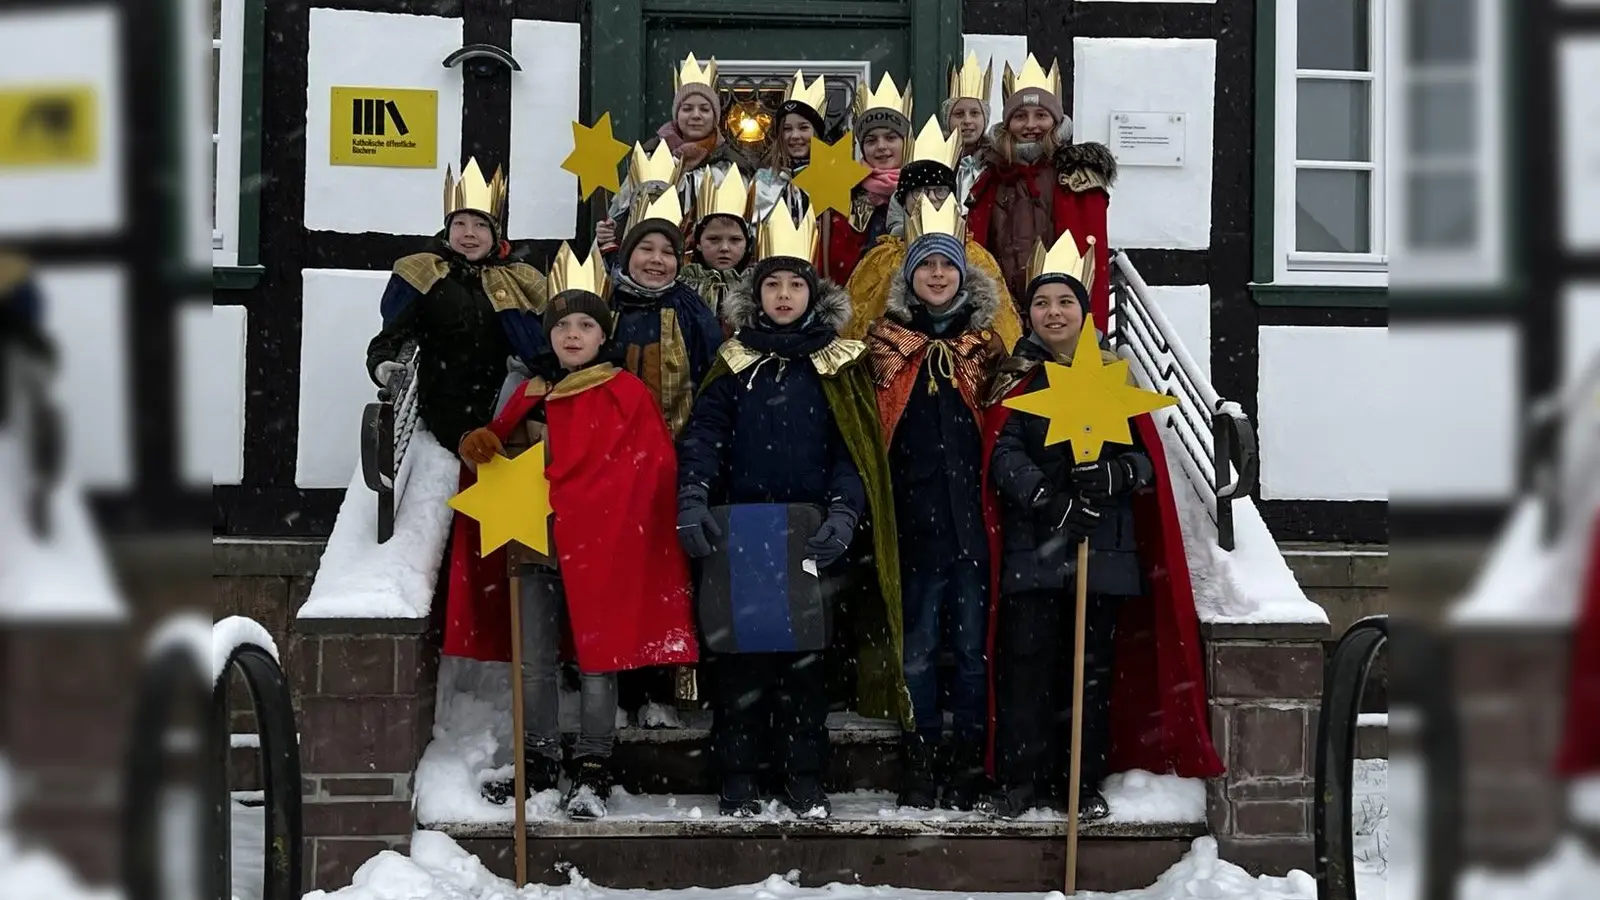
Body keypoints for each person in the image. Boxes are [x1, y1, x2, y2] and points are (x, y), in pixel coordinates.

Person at [447, 243, 699, 819]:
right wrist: (477, 443)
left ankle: (593, 762)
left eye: (586, 324)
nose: (573, 335)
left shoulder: (625, 392)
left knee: (597, 658)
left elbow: (650, 470)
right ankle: (536, 758)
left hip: (601, 546)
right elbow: (496, 449)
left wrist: (597, 503)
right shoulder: (529, 391)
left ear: (601, 335)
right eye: (563, 325)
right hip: (533, 540)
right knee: (533, 659)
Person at [977, 232, 1224, 819]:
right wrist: (1046, 497)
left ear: (1083, 312)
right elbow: (1002, 454)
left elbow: (1147, 461)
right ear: (1029, 313)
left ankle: (1077, 782)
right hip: (1034, 551)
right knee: (1027, 669)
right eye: (1042, 304)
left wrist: (1116, 475)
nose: (1053, 313)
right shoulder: (1015, 376)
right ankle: (1019, 780)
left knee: (1086, 678)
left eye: (1064, 302)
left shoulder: (1119, 377)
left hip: (1101, 552)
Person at [677, 201, 906, 820]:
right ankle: (740, 776)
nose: (783, 295)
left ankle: (804, 775)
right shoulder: (733, 362)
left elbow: (852, 452)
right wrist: (693, 498)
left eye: (794, 284)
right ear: (756, 295)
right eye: (772, 284)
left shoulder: (840, 363)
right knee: (741, 666)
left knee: (805, 670)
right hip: (741, 533)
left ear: (813, 294)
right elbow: (705, 437)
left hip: (808, 534)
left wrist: (842, 514)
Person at [866, 196, 1007, 810]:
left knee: (975, 652)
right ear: (911, 278)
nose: (938, 276)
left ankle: (970, 759)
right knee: (917, 648)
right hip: (913, 525)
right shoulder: (885, 351)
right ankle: (919, 755)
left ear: (962, 274)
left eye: (947, 266)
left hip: (974, 527)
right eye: (926, 267)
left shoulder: (988, 351)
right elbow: (871, 431)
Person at [365, 159, 548, 459]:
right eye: (459, 224)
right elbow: (391, 336)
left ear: (495, 234)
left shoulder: (519, 276)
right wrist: (382, 365)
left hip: (505, 397)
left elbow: (542, 341)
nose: (469, 233)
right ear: (447, 229)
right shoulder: (426, 274)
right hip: (446, 394)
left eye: (479, 225)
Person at [842, 116, 1022, 350]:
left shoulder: (976, 256)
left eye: (939, 191)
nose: (930, 200)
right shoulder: (880, 258)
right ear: (902, 199)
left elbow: (1002, 327)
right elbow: (856, 324)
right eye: (919, 192)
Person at [966, 55, 1117, 316]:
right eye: (1020, 116)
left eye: (1041, 115)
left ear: (1056, 121)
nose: (1031, 125)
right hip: (1002, 316)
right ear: (1007, 124)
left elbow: (1094, 259)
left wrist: (1093, 327)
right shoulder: (992, 178)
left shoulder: (1075, 178)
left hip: (1058, 316)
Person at [598, 54, 753, 256]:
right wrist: (607, 234)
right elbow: (622, 214)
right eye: (687, 108)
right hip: (656, 264)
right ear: (677, 114)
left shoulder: (731, 166)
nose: (696, 115)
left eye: (705, 109)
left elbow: (746, 227)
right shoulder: (650, 158)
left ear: (715, 117)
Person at [609, 187, 724, 437]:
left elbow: (711, 378)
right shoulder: (609, 302)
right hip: (612, 442)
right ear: (627, 256)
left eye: (668, 252)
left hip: (676, 445)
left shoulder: (691, 309)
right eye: (647, 249)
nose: (657, 259)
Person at [822, 73, 912, 286]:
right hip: (855, 309)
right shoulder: (844, 194)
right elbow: (835, 263)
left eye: (891, 138)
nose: (881, 146)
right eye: (871, 140)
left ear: (906, 143)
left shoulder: (923, 192)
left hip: (906, 312)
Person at [752, 70, 829, 223]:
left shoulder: (831, 179)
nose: (794, 136)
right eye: (787, 129)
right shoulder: (763, 180)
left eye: (803, 128)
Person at [679, 167, 755, 322]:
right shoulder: (683, 285)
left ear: (747, 244)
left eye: (735, 240)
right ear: (698, 243)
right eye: (714, 239)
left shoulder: (757, 287)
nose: (724, 248)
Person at [943, 52, 993, 207]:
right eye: (958, 114)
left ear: (985, 119)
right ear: (947, 119)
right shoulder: (935, 158)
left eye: (975, 113)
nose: (967, 121)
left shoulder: (996, 162)